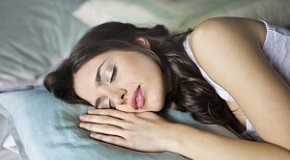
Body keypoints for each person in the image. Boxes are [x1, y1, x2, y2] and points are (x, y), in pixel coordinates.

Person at [44, 17, 290, 159]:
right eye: (107, 104)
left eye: (111, 74)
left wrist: (169, 136)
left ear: (141, 44)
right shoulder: (186, 104)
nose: (117, 97)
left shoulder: (211, 39)